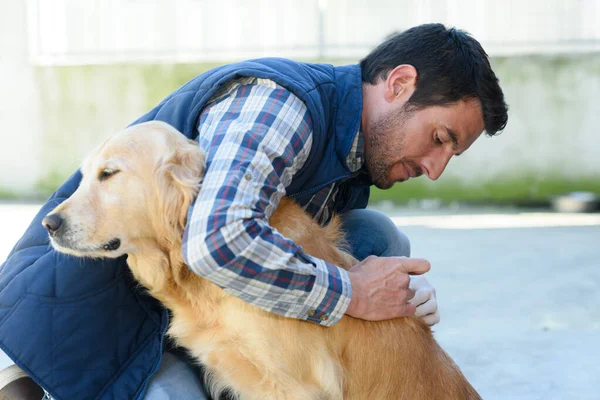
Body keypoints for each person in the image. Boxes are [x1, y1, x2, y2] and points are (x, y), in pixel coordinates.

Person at [0, 23, 507, 400]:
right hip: (106, 315)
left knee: (374, 238)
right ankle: (27, 380)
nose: (436, 167)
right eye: (440, 139)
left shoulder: (352, 154)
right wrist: (353, 291)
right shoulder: (279, 106)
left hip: (187, 308)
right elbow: (216, 241)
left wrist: (400, 304)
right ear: (398, 84)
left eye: (451, 155)